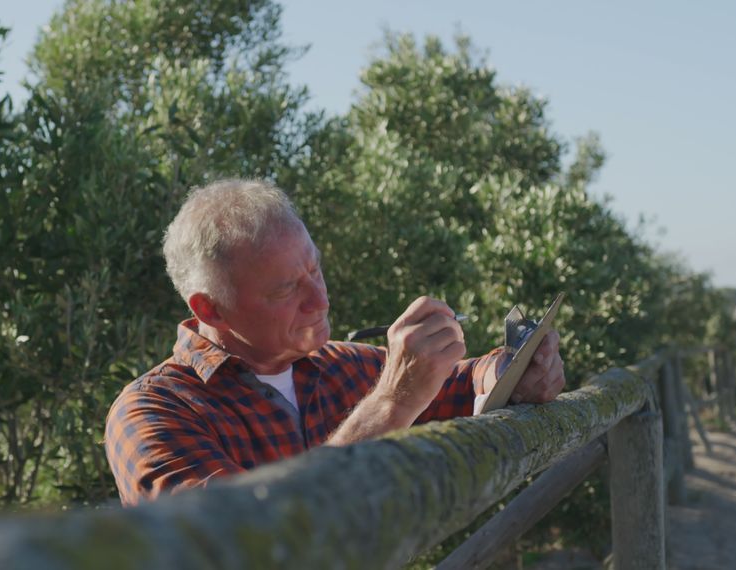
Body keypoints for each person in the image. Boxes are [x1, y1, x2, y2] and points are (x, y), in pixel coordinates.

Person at [105, 179, 565, 505]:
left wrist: (515, 371)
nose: (320, 299)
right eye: (286, 289)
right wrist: (390, 403)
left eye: (316, 269)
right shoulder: (152, 414)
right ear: (210, 309)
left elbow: (462, 384)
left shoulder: (339, 365)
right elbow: (248, 540)